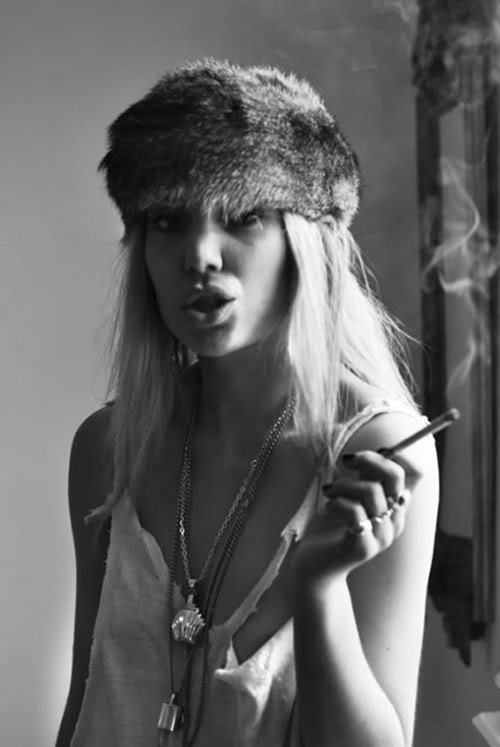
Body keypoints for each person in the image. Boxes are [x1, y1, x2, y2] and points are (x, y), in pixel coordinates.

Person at [56, 58, 439, 747]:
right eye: (168, 220)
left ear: (305, 241)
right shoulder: (107, 445)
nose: (200, 254)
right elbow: (85, 706)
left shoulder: (375, 450)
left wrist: (320, 587)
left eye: (243, 215)